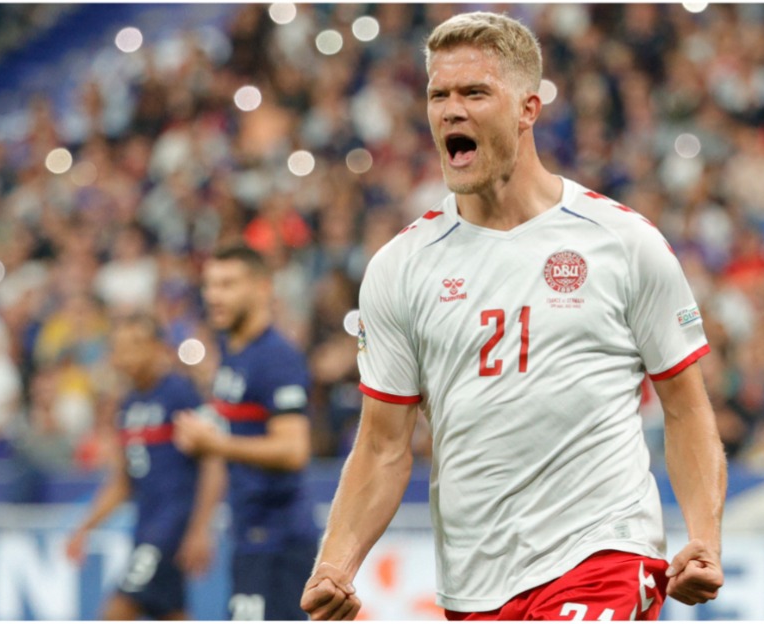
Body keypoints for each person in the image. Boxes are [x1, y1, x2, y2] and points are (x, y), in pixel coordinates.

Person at [301, 11, 726, 622]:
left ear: (528, 109)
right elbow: (382, 446)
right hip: (476, 584)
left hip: (604, 554)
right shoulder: (401, 267)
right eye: (439, 96)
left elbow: (685, 407)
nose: (451, 111)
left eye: (475, 93)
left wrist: (704, 537)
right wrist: (335, 565)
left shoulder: (622, 242)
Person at [173, 244, 319, 620]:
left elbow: (294, 449)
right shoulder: (232, 353)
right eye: (209, 285)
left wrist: (215, 443)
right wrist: (201, 526)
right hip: (248, 535)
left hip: (279, 541)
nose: (213, 296)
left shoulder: (277, 358)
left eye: (227, 284)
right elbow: (223, 449)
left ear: (261, 288)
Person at [66, 314, 224, 620]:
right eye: (120, 347)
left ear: (158, 348)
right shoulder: (128, 406)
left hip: (171, 528)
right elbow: (123, 483)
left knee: (117, 611)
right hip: (145, 528)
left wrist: (200, 529)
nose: (127, 355)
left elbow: (213, 461)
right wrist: (84, 528)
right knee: (171, 614)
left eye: (136, 345)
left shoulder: (180, 393)